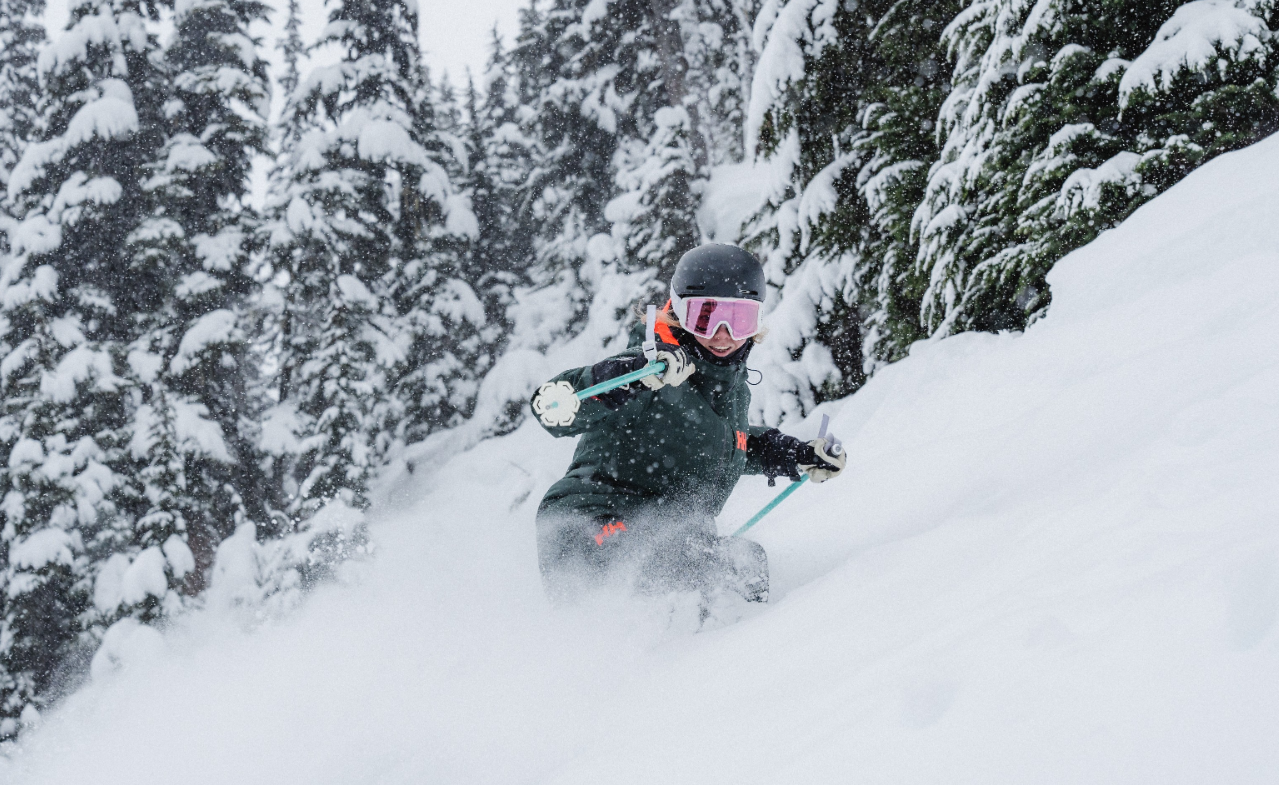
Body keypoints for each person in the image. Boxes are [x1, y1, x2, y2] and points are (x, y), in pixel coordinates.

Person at [529, 244, 846, 606]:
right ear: (678, 313)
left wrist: (794, 454)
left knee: (742, 562)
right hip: (591, 522)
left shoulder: (728, 388)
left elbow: (730, 443)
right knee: (691, 562)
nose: (723, 334)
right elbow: (551, 407)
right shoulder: (648, 368)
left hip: (665, 535)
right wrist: (626, 377)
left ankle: (736, 656)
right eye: (705, 317)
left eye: (739, 320)